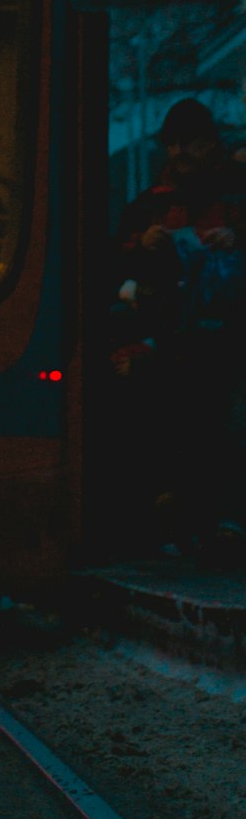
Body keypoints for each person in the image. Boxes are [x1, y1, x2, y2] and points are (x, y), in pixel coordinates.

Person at [110, 98, 246, 563]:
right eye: (175, 144)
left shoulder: (235, 197)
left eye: (192, 143)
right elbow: (114, 266)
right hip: (172, 343)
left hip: (228, 343)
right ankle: (177, 522)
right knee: (172, 429)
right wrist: (140, 249)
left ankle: (219, 522)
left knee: (220, 427)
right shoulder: (151, 205)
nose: (182, 152)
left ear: (212, 145)